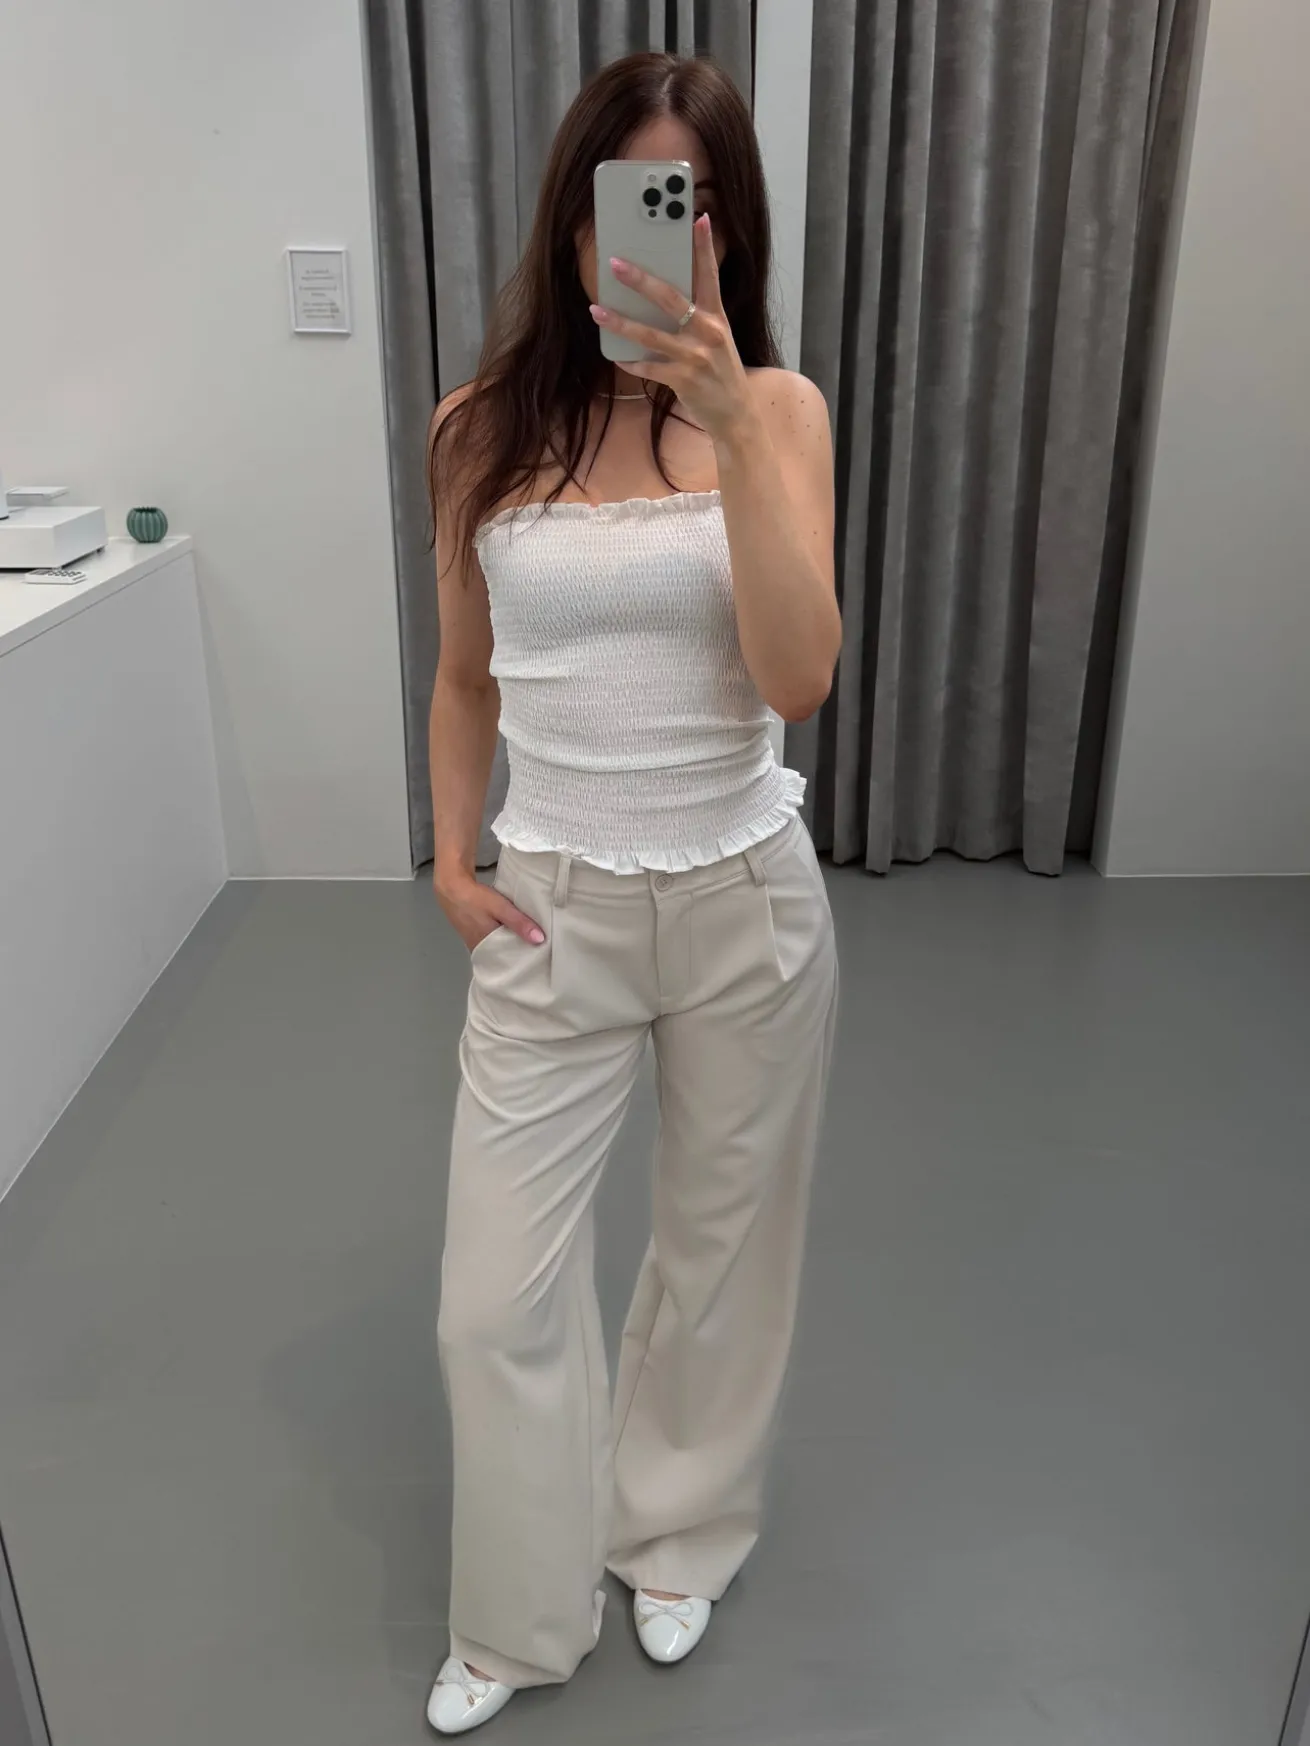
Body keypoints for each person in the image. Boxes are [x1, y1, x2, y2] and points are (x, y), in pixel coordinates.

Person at [424, 50, 842, 1734]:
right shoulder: (477, 427)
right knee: (491, 1298)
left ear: (729, 231)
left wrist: (729, 423)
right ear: (579, 220)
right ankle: (517, 1614)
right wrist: (448, 855)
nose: (661, 238)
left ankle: (673, 1532)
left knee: (722, 1246)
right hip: (551, 904)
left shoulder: (781, 412)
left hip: (746, 898)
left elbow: (796, 677)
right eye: (635, 200)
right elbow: (466, 675)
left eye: (696, 204)